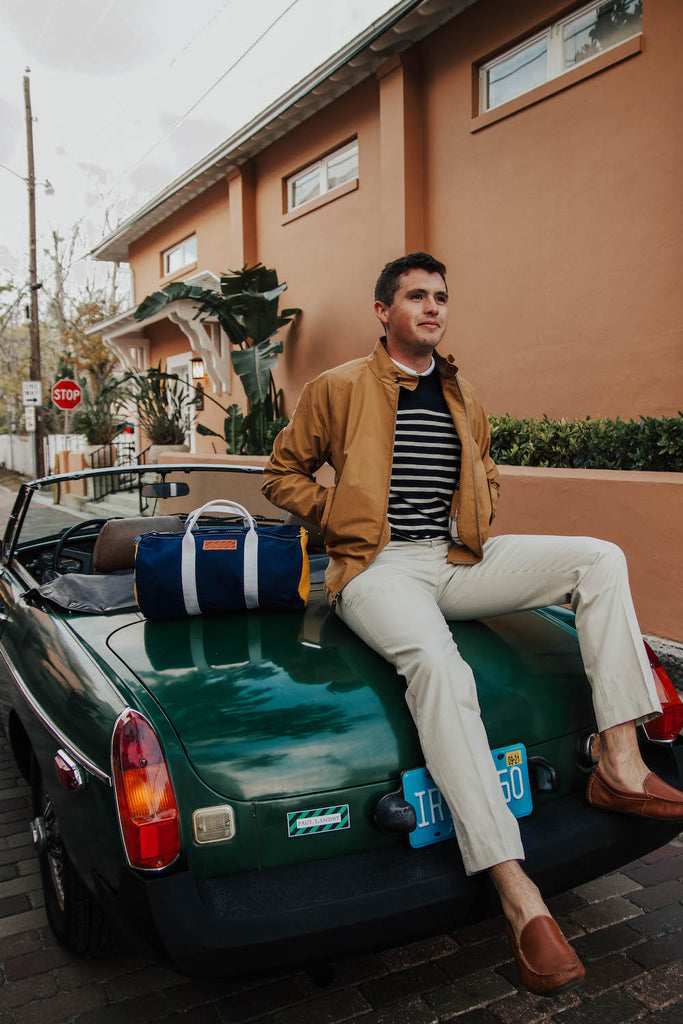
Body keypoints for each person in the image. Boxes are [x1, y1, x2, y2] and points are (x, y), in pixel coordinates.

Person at [262, 252, 683, 996]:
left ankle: (619, 762)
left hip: (455, 558)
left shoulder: (460, 391)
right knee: (440, 667)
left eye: (440, 298)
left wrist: (480, 498)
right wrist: (344, 517)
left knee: (597, 558)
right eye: (416, 296)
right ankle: (516, 891)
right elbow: (281, 474)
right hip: (379, 568)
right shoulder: (337, 389)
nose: (432, 308)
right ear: (382, 312)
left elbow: (483, 466)